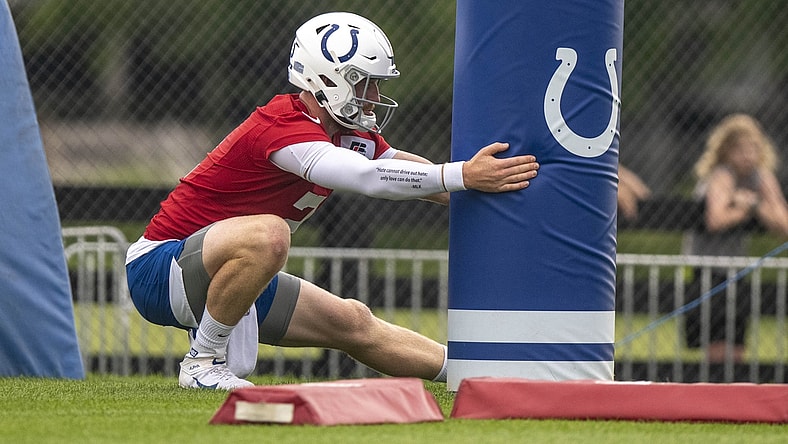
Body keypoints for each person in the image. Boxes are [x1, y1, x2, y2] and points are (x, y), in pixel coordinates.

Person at [124, 12, 540, 390]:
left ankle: (478, 373)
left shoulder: (346, 133)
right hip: (160, 267)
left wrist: (482, 187)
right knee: (270, 233)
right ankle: (202, 362)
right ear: (327, 78)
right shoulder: (282, 123)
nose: (373, 94)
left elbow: (413, 173)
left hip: (230, 268)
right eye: (364, 82)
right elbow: (365, 176)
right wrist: (462, 174)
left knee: (353, 322)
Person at [683, 113, 788, 363]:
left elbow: (782, 222)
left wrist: (755, 205)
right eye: (741, 149)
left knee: (737, 351)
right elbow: (716, 219)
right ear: (726, 150)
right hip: (709, 271)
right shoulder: (722, 175)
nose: (748, 156)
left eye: (753, 148)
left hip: (736, 271)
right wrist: (747, 209)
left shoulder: (759, 177)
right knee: (717, 352)